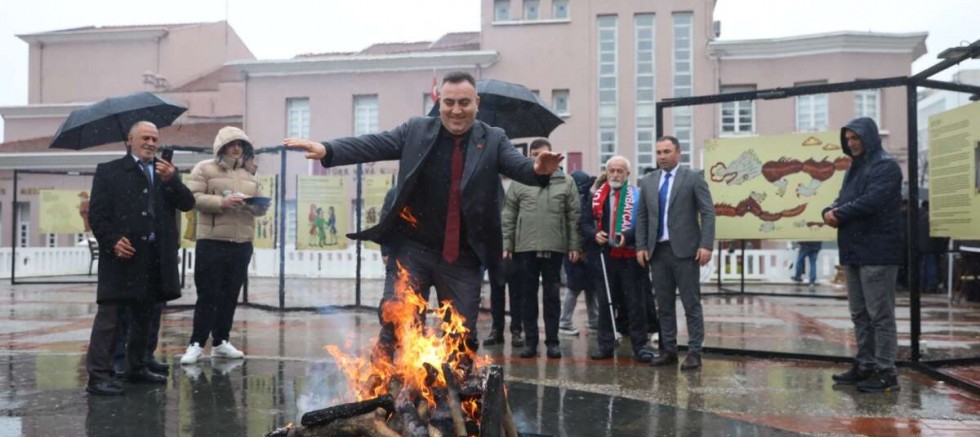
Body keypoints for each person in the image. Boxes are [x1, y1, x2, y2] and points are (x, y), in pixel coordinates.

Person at [284, 71, 564, 355]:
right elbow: (374, 144)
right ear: (439, 102)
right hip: (413, 249)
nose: (456, 110)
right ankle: (389, 378)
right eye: (449, 102)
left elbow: (519, 166)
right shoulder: (416, 130)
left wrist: (538, 169)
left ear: (476, 103)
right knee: (398, 323)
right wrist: (328, 149)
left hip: (462, 257)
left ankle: (455, 380)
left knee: (461, 338)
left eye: (464, 103)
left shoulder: (493, 139)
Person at [84, 121, 195, 395]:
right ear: (130, 140)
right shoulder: (109, 171)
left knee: (144, 317)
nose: (151, 143)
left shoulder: (164, 172)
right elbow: (97, 215)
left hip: (154, 258)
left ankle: (136, 367)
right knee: (110, 317)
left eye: (155, 139)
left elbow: (187, 203)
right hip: (122, 257)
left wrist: (173, 180)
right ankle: (98, 376)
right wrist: (112, 241)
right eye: (145, 138)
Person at [823, 117, 903, 393]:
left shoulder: (886, 165)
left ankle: (886, 371)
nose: (851, 143)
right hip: (854, 250)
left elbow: (872, 201)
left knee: (879, 314)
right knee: (859, 313)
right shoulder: (855, 167)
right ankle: (866, 365)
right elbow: (844, 198)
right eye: (848, 139)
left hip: (878, 251)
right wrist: (829, 210)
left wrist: (838, 213)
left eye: (855, 138)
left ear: (869, 137)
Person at [180, 126, 268, 365]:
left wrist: (257, 205)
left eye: (240, 145)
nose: (236, 149)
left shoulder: (250, 175)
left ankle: (220, 341)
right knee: (208, 295)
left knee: (230, 295)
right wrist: (222, 202)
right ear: (221, 147)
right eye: (231, 144)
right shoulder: (204, 168)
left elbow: (259, 209)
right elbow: (192, 198)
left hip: (242, 243)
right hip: (212, 241)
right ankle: (196, 344)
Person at [636, 135, 715, 371]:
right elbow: (642, 216)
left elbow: (707, 212)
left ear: (678, 153)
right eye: (658, 152)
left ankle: (694, 352)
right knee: (664, 306)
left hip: (686, 252)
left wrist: (706, 245)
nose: (662, 157)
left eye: (667, 152)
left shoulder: (693, 178)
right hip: (657, 252)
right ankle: (668, 350)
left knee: (691, 304)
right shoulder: (648, 181)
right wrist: (641, 246)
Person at [501, 139, 582, 359]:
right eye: (534, 154)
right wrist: (507, 244)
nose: (538, 157)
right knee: (528, 296)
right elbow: (509, 214)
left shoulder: (566, 182)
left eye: (543, 153)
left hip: (554, 246)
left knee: (552, 296)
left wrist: (574, 245)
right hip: (525, 247)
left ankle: (553, 342)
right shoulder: (520, 182)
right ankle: (530, 342)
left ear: (553, 155)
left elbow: (573, 216)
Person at [582, 156, 657, 362]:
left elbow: (644, 223)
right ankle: (605, 345)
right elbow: (585, 223)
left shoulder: (638, 196)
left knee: (635, 304)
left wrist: (628, 236)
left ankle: (640, 346)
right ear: (607, 172)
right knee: (606, 303)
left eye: (620, 171)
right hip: (604, 257)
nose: (615, 175)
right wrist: (594, 234)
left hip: (630, 257)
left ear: (627, 174)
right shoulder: (596, 197)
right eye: (612, 170)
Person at [484, 177, 525, 348]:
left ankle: (516, 330)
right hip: (495, 246)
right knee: (496, 291)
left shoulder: (520, 183)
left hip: (517, 246)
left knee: (517, 292)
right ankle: (497, 330)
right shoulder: (491, 182)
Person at [559, 171, 600, 336]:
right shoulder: (588, 197)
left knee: (586, 288)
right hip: (578, 251)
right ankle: (566, 323)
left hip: (578, 250)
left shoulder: (570, 198)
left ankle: (588, 321)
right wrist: (579, 248)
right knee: (576, 288)